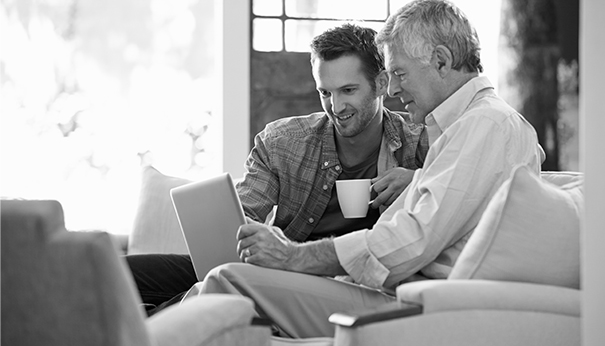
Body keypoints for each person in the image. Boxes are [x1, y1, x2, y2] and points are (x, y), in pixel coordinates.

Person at [193, 0, 545, 339]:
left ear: (440, 61)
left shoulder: (486, 126)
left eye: (399, 73)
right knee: (202, 281)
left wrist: (293, 257)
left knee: (228, 280)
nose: (391, 88)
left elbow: (411, 241)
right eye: (326, 92)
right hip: (399, 291)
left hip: (411, 302)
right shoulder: (470, 128)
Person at [127, 23, 426, 315]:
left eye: (348, 90)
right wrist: (245, 234)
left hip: (342, 286)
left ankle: (141, 327)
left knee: (216, 288)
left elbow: (457, 197)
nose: (336, 106)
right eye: (325, 93)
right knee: (123, 271)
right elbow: (245, 214)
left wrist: (417, 180)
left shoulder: (420, 144)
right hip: (279, 272)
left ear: (382, 83)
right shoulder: (284, 142)